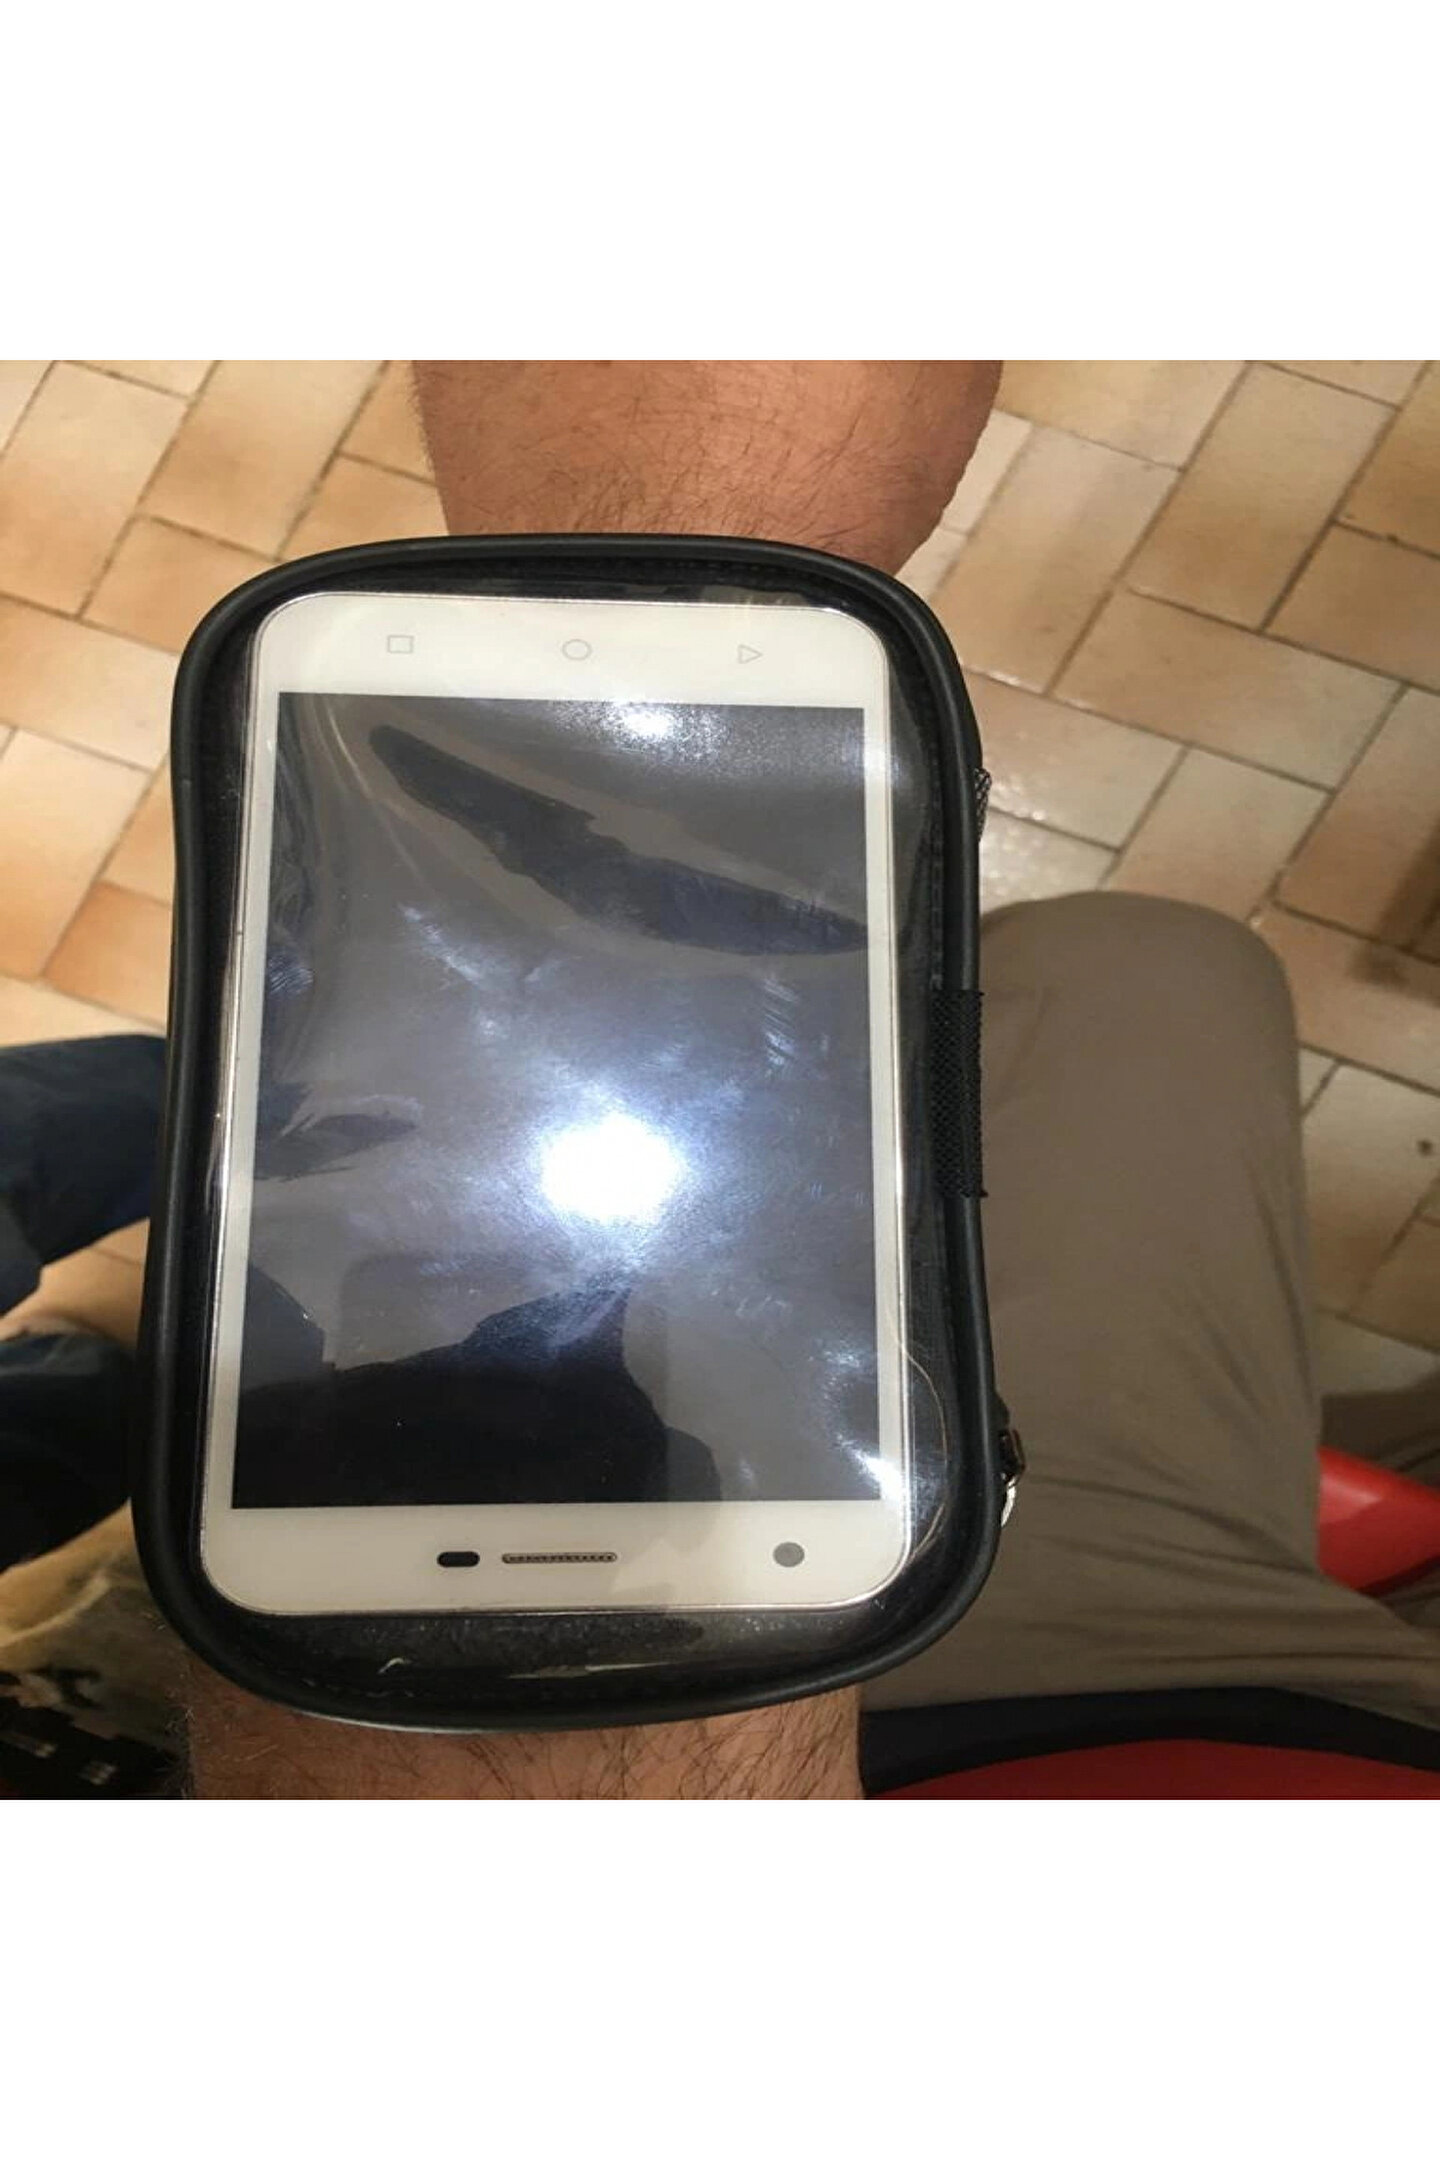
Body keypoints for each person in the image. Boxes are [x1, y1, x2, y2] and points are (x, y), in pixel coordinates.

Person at [3, 361, 1439, 1800]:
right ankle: (93, 1413)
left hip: (1067, 1666)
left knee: (1147, 973)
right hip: (1254, 1707)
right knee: (1159, 965)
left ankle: (88, 1413)